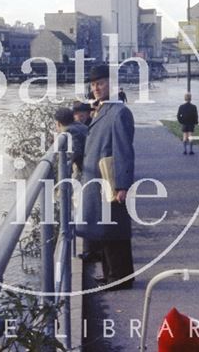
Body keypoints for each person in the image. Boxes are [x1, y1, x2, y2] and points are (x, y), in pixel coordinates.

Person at [76, 64, 135, 290]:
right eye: (93, 84)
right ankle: (112, 274)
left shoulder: (119, 112)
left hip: (110, 181)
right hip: (98, 181)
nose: (96, 88)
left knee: (114, 230)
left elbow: (124, 150)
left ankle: (120, 277)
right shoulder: (102, 109)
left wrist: (122, 185)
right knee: (104, 230)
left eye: (100, 83)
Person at [54, 107, 87, 174]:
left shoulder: (70, 131)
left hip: (87, 169)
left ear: (58, 123)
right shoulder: (79, 126)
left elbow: (74, 152)